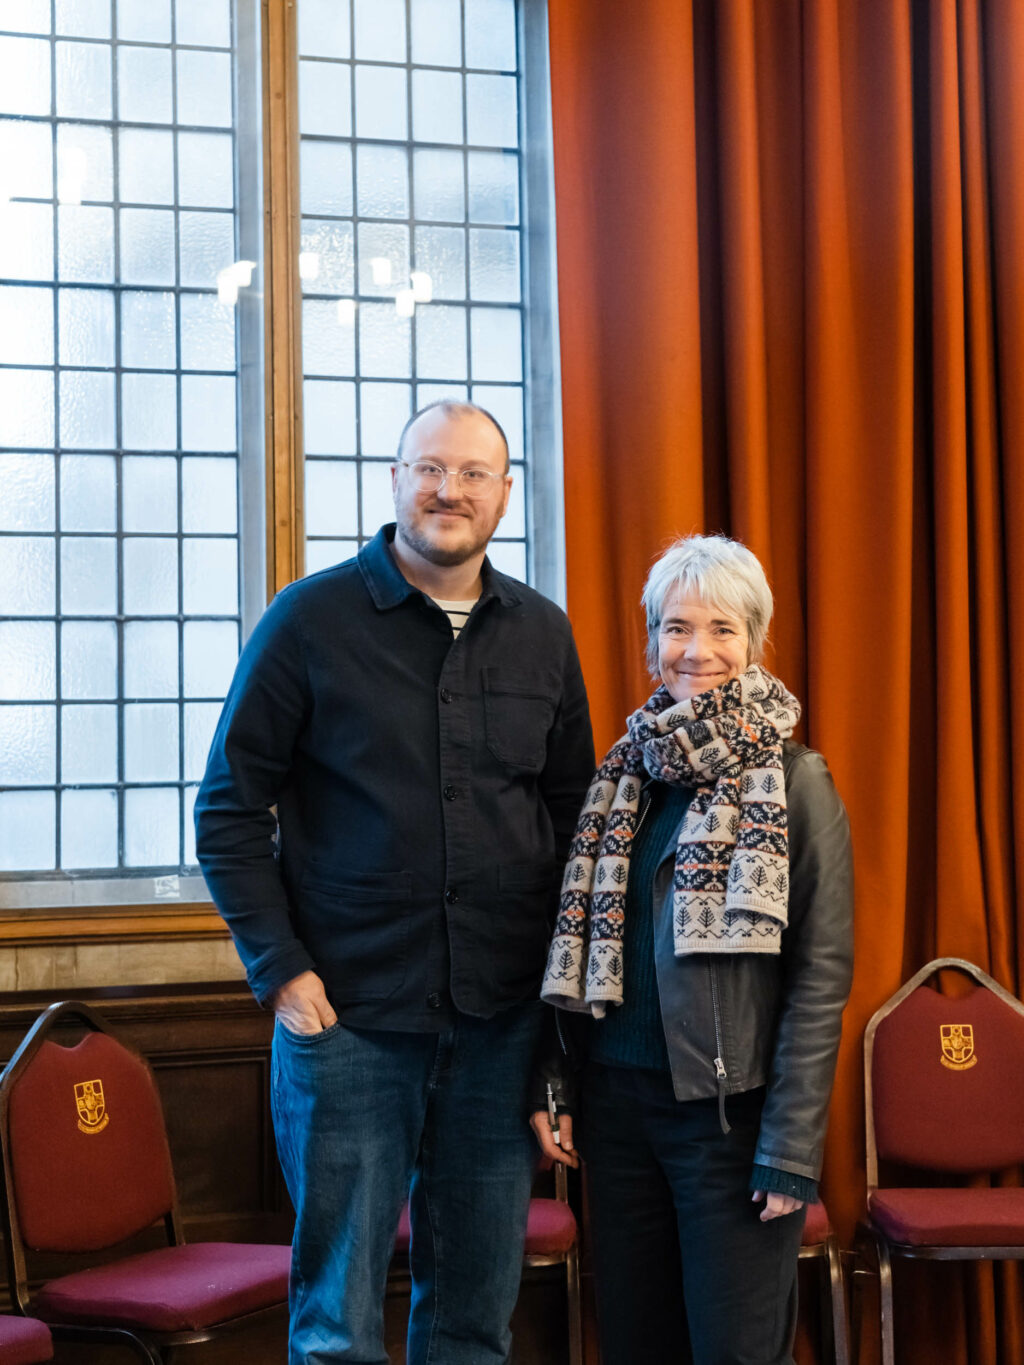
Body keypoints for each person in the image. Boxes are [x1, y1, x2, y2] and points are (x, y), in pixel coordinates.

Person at [195, 400, 594, 1365]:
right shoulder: (308, 621)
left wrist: (554, 1037)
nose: (449, 490)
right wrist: (282, 971)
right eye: (430, 469)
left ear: (505, 493)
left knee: (473, 1324)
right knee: (337, 1331)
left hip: (500, 1026)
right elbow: (228, 811)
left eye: (473, 473)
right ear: (395, 481)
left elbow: (576, 834)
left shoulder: (543, 635)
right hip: (348, 1024)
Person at [532, 533, 853, 1365]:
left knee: (735, 1352)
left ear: (754, 641)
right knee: (636, 1345)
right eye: (677, 627)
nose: (696, 649)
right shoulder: (622, 777)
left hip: (730, 1123)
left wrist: (789, 1151)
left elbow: (819, 980)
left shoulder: (797, 779)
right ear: (652, 643)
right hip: (617, 1113)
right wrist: (558, 1080)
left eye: (721, 628)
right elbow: (574, 944)